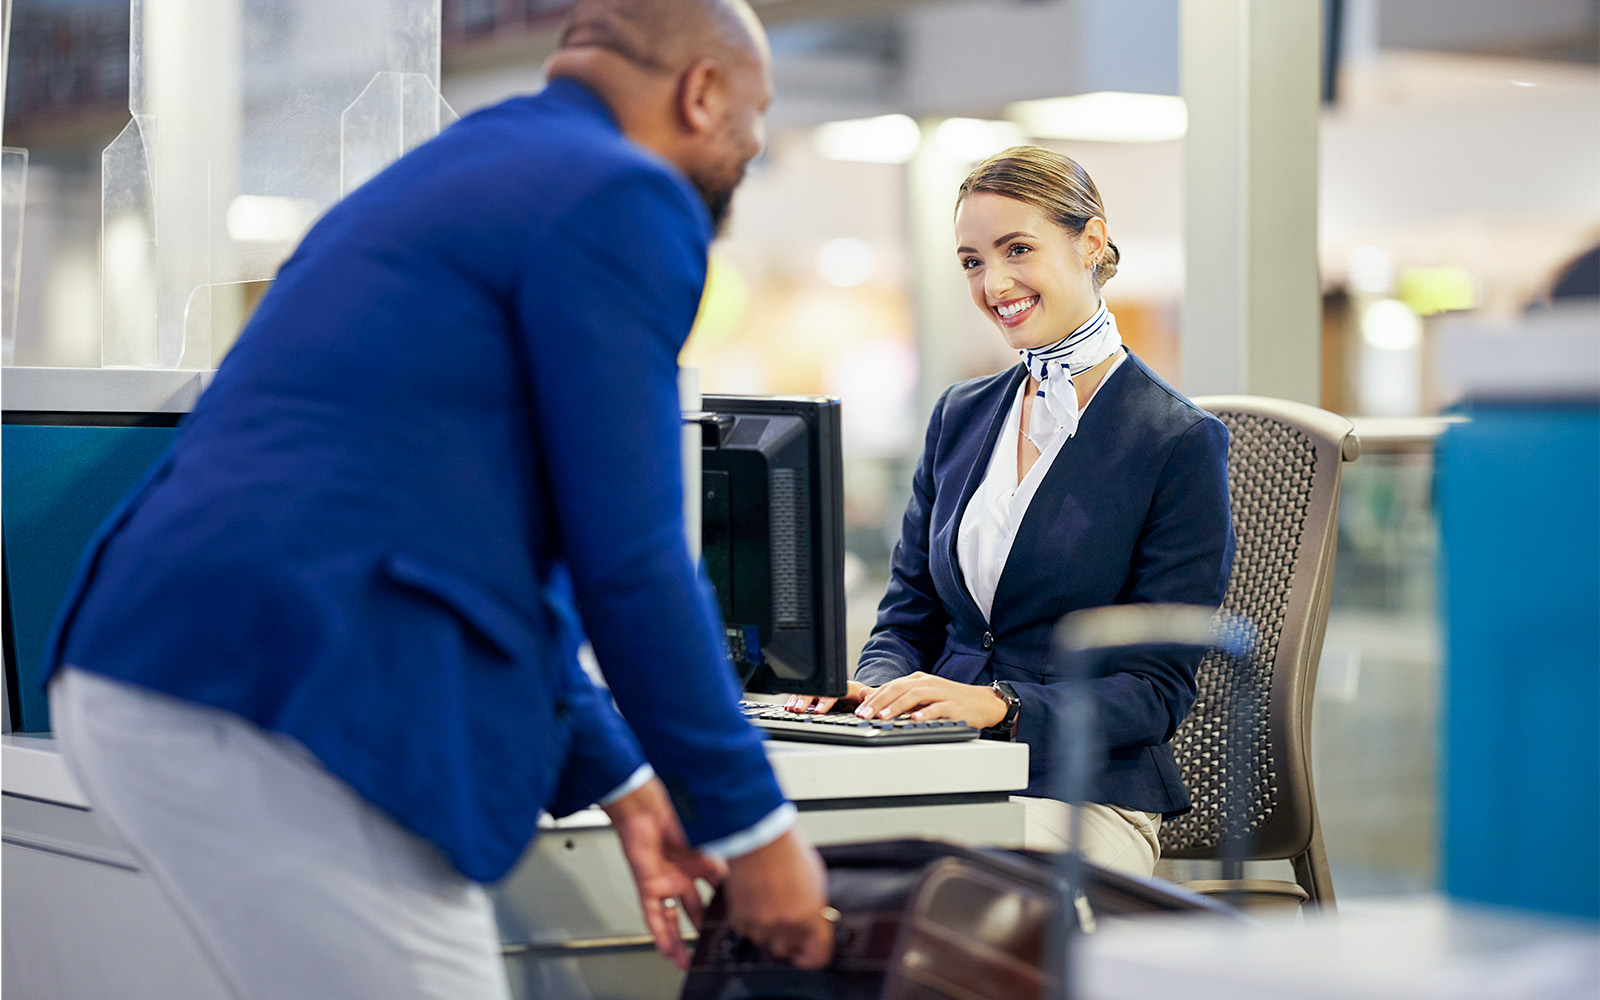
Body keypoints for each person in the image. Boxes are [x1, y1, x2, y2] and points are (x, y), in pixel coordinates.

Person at [41, 1, 835, 996]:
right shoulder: (624, 197)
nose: (753, 147)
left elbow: (478, 541)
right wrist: (752, 826)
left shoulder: (455, 172)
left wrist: (628, 786)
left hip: (166, 664)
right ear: (702, 91)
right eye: (754, 118)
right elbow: (629, 559)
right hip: (294, 686)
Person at [788, 146, 1235, 877]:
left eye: (1017, 249)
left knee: (930, 888)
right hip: (938, 771)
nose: (994, 283)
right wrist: (876, 685)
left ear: (1090, 243)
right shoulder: (960, 416)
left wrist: (1000, 706)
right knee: (784, 859)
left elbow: (1154, 691)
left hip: (1084, 795)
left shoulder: (1177, 441)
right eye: (971, 261)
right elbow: (909, 615)